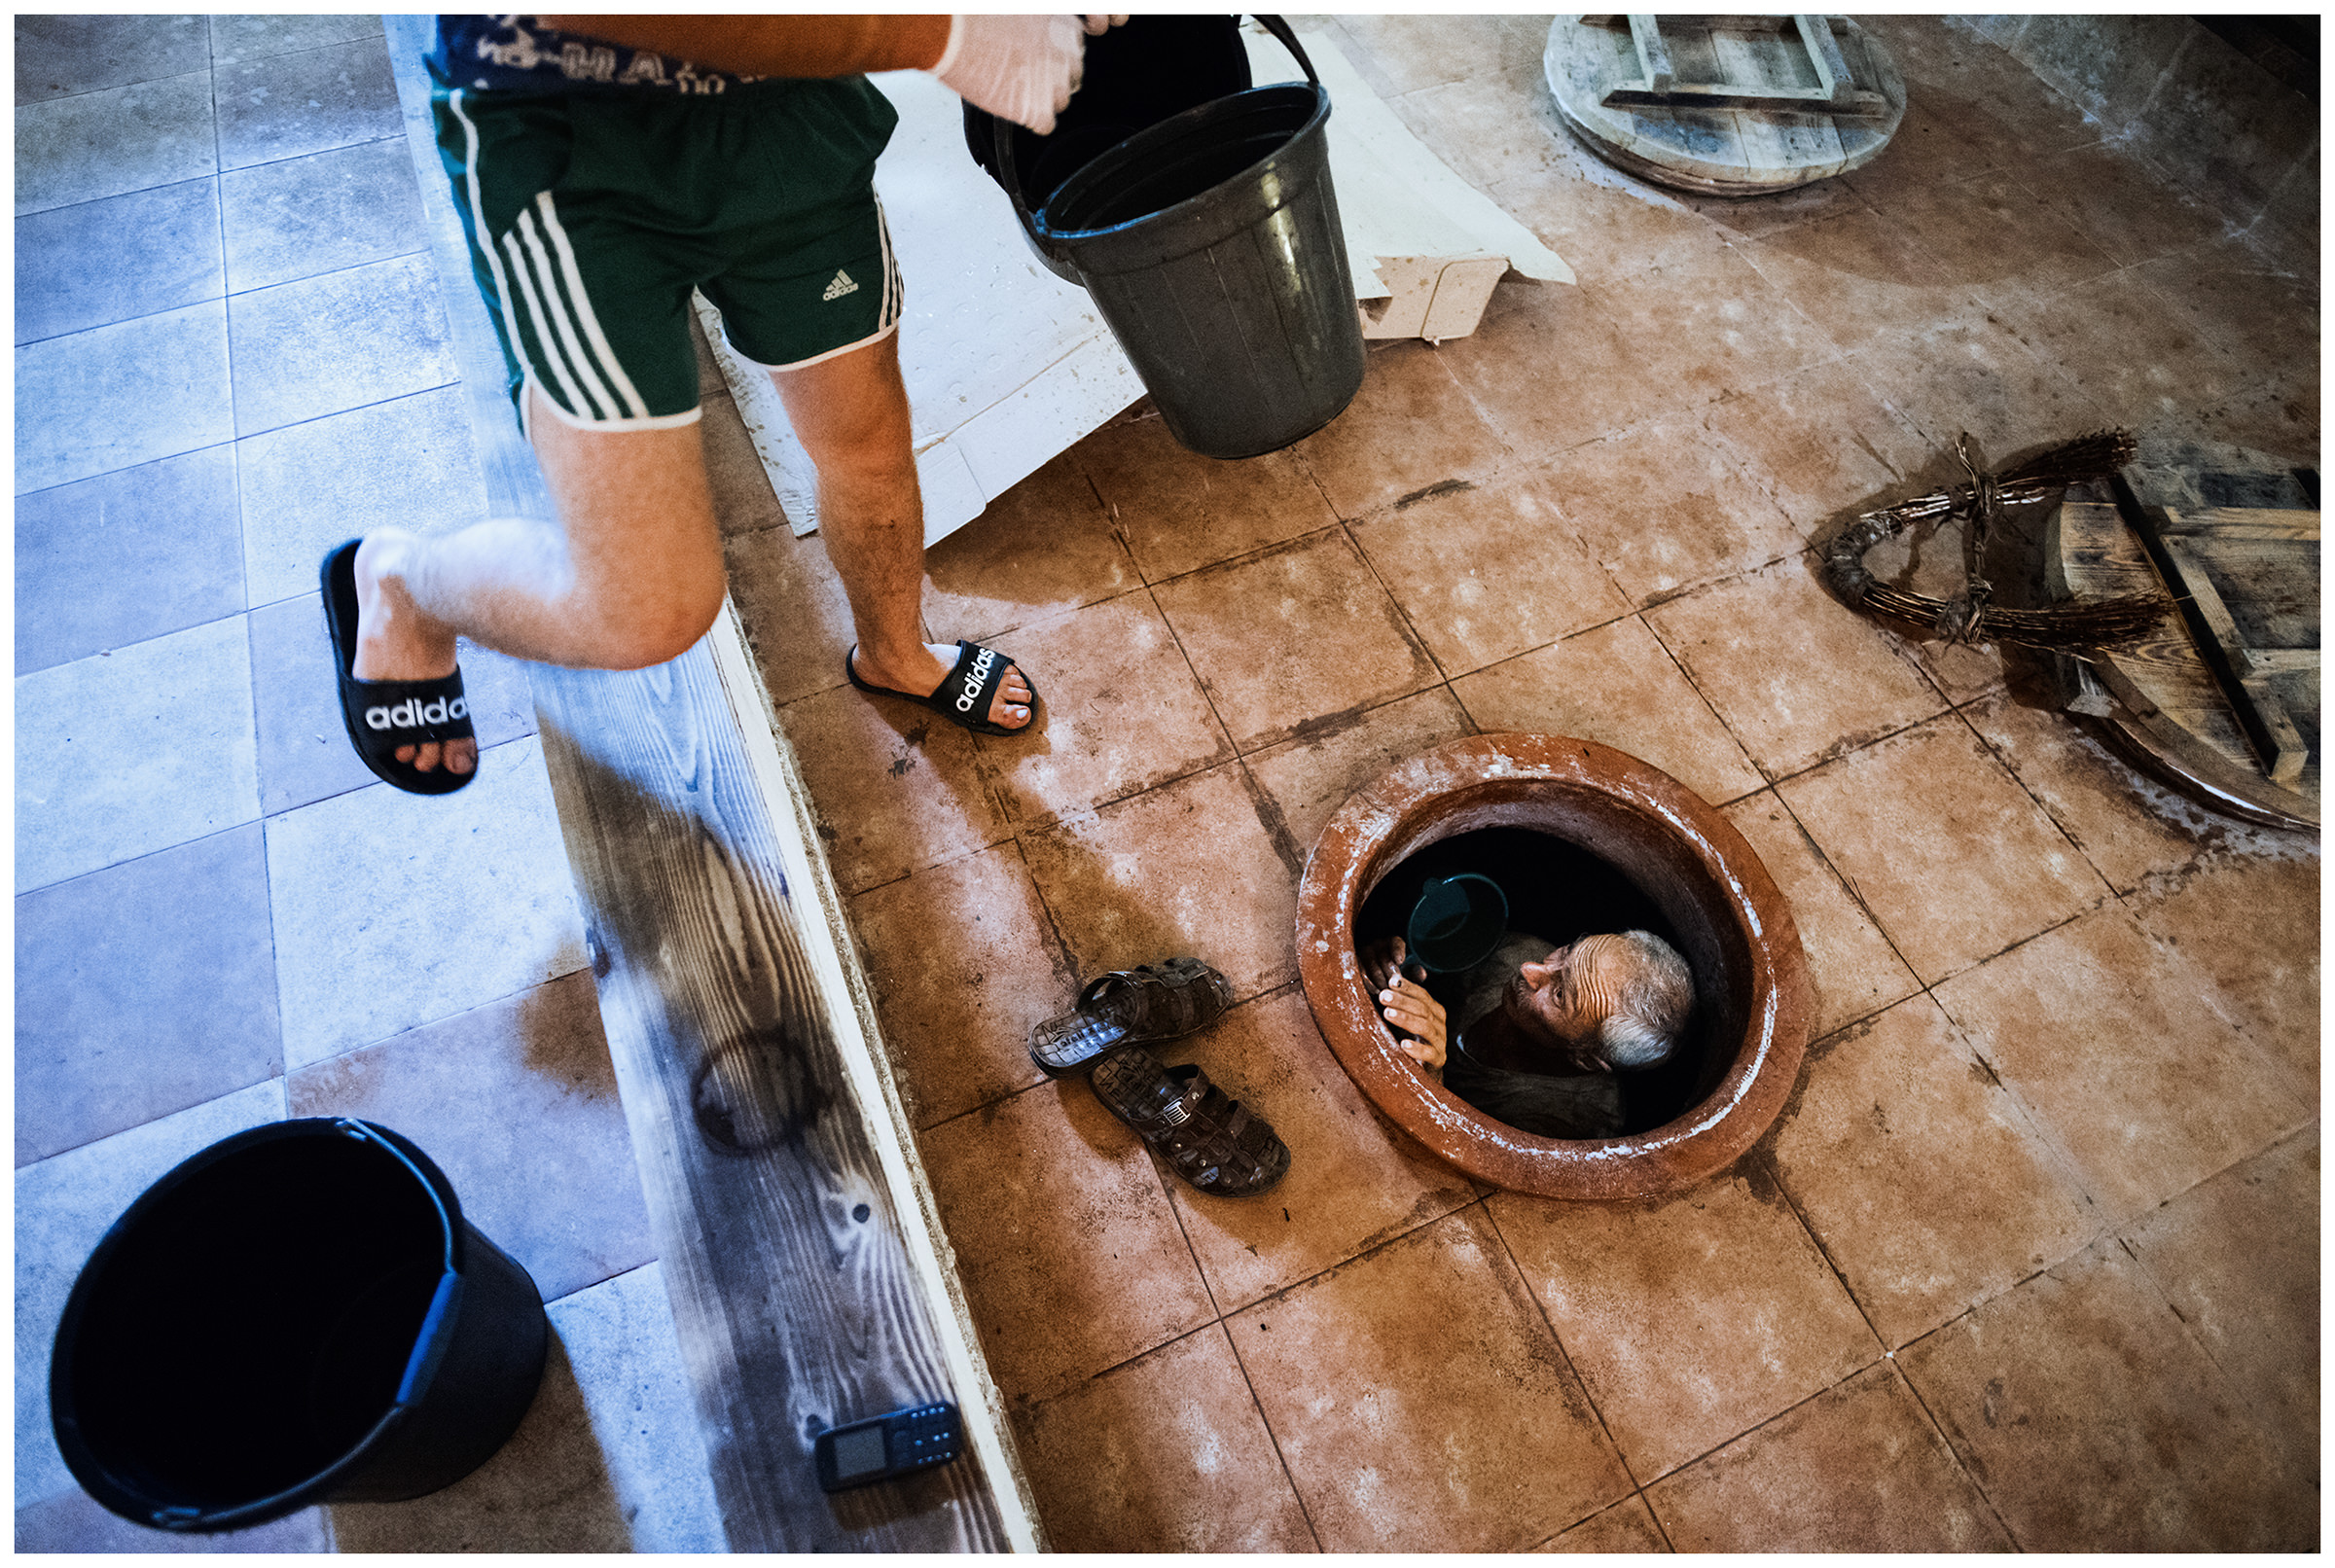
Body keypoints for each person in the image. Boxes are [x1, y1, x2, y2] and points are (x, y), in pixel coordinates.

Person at [328, 16, 1122, 795]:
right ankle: (403, 583)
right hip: (569, 142)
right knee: (648, 611)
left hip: (783, 107)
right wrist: (945, 33)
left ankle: (895, 654)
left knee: (868, 446)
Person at [1362, 928, 1694, 1140]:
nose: (1531, 969)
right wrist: (1385, 969)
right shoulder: (1519, 950)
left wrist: (1430, 1082)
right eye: (1567, 953)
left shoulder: (1569, 1126)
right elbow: (1421, 968)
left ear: (1586, 1058)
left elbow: (1453, 1169)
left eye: (1561, 994)